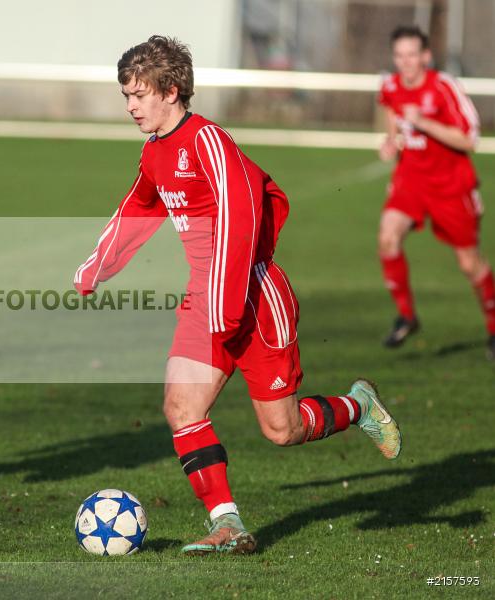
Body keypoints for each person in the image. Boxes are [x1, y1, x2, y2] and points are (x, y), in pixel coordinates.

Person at [73, 36, 401, 555]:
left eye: (139, 94)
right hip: (205, 300)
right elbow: (138, 208)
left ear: (171, 90)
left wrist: (226, 302)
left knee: (282, 430)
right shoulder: (155, 153)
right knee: (181, 406)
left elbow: (241, 213)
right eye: (126, 96)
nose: (131, 106)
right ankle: (228, 524)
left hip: (254, 300)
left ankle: (357, 406)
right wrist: (97, 267)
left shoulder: (208, 141)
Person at [377, 26, 494, 358]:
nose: (406, 62)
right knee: (388, 238)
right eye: (399, 55)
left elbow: (470, 139)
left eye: (412, 54)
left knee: (470, 264)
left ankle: (494, 327)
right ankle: (407, 316)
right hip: (411, 180)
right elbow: (391, 114)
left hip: (451, 186)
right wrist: (391, 142)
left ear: (426, 56)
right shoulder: (390, 85)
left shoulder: (444, 87)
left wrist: (425, 123)